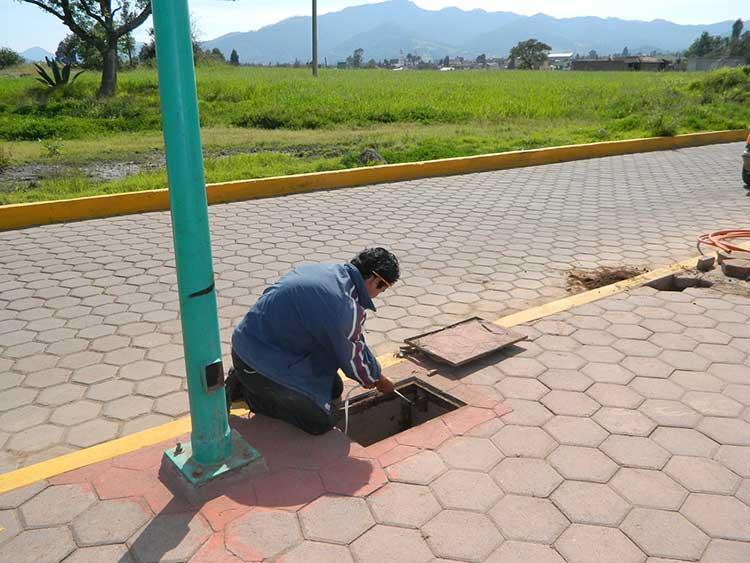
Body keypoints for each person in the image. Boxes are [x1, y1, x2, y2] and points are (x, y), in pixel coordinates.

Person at [226, 247, 399, 435]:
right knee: (322, 421)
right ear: (375, 280)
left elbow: (352, 339)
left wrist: (373, 373)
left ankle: (250, 380)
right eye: (383, 287)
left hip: (253, 345)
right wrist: (377, 379)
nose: (379, 293)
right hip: (257, 363)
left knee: (333, 388)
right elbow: (351, 357)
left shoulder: (328, 273)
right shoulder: (344, 305)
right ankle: (249, 393)